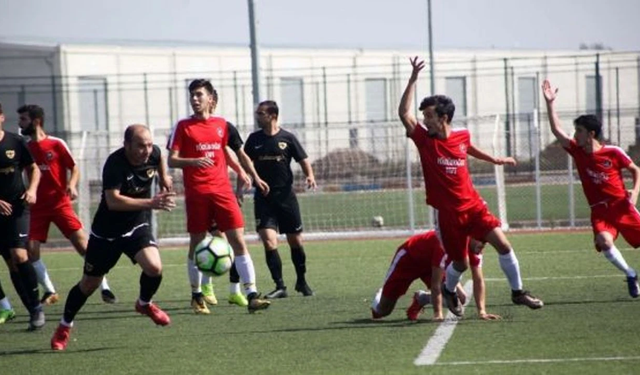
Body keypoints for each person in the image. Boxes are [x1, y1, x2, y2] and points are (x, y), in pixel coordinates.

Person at [398, 57, 543, 317]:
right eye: (424, 116)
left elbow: (468, 149)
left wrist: (495, 159)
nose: (425, 121)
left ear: (444, 117)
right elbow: (403, 114)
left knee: (504, 245)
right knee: (460, 263)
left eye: (429, 116)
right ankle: (449, 290)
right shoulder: (424, 140)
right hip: (448, 215)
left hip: (473, 206)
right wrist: (412, 79)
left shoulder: (462, 135)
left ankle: (518, 292)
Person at [50, 124, 175, 351]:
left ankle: (144, 304)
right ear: (126, 145)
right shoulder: (115, 164)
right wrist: (151, 202)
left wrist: (165, 177)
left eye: (148, 145)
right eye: (140, 146)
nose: (146, 150)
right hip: (106, 234)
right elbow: (113, 202)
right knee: (89, 284)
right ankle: (64, 325)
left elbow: (159, 159)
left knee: (155, 268)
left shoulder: (153, 152)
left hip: (136, 226)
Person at [167, 79, 270, 314]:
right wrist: (192, 161)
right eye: (192, 95)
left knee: (238, 242)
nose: (194, 99)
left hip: (223, 192)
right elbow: (171, 160)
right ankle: (197, 295)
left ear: (211, 99)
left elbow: (240, 154)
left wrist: (253, 176)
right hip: (197, 194)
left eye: (199, 95)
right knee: (196, 244)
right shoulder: (183, 126)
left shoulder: (224, 125)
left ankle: (252, 294)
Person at [543, 79, 640, 297]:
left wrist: (634, 192)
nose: (575, 135)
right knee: (604, 241)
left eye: (579, 131)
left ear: (591, 134)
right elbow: (557, 130)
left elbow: (636, 170)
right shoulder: (577, 151)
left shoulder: (613, 152)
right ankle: (630, 274)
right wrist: (550, 103)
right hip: (599, 210)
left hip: (621, 206)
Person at [17, 104, 117, 306]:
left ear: (36, 121)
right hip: (37, 208)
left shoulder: (56, 144)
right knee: (31, 249)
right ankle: (50, 290)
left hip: (60, 203)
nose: (20, 124)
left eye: (24, 120)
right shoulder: (25, 147)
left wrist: (71, 185)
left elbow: (74, 168)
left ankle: (104, 286)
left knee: (83, 245)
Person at [243, 100, 316, 298]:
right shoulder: (254, 139)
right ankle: (280, 286)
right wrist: (244, 181)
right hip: (264, 198)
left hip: (286, 197)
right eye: (257, 113)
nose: (257, 117)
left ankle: (301, 281)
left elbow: (303, 159)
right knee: (268, 241)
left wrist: (309, 175)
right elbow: (244, 161)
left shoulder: (288, 138)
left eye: (261, 114)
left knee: (296, 241)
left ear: (272, 116)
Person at [370, 231, 501, 321]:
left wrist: (482, 312)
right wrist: (438, 314)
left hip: (432, 265)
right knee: (381, 312)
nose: (484, 244)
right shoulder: (448, 244)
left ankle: (422, 298)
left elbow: (478, 280)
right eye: (481, 240)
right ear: (470, 235)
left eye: (486, 241)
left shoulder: (476, 249)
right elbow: (436, 283)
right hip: (409, 259)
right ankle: (381, 294)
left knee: (460, 299)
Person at [0, 101, 45, 331]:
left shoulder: (15, 142)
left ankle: (36, 307)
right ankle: (28, 309)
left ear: (1, 118)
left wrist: (32, 190)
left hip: (17, 209)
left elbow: (34, 168)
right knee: (11, 265)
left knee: (19, 256)